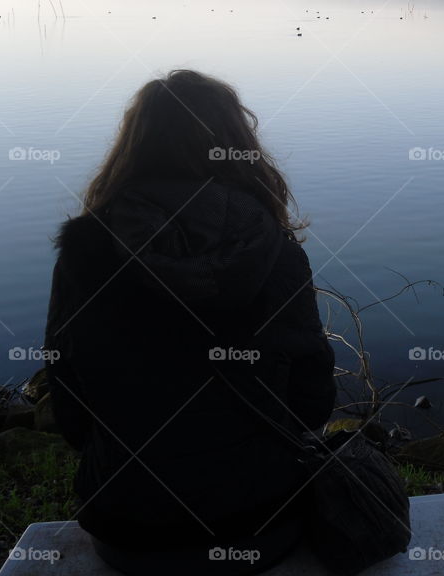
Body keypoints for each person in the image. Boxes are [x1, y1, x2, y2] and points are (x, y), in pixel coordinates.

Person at [44, 70, 335, 575]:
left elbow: (67, 397)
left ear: (131, 148)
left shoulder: (86, 251)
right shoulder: (275, 255)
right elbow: (312, 403)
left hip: (128, 531)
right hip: (261, 526)